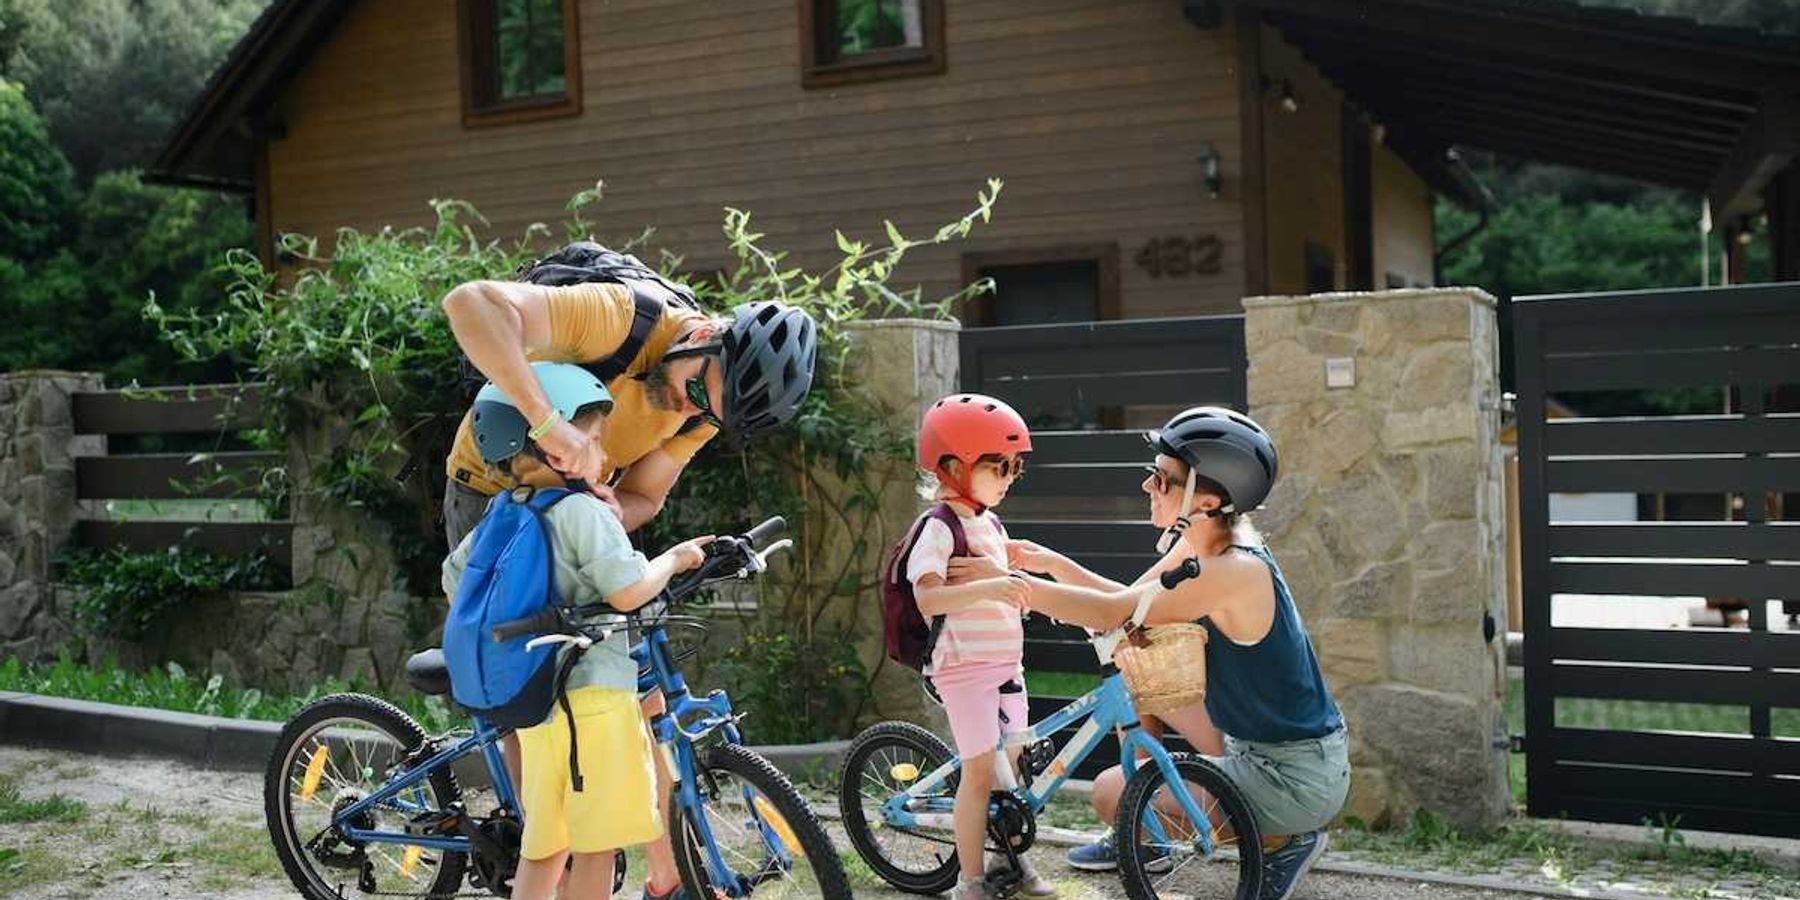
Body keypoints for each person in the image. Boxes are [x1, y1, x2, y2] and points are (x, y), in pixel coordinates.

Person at [441, 244, 818, 900]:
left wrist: (612, 507)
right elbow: (471, 305)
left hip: (581, 512)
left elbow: (645, 495)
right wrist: (549, 425)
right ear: (704, 336)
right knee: (530, 701)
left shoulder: (702, 407)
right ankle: (545, 854)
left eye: (707, 411)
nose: (687, 405)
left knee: (637, 698)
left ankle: (666, 879)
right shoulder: (622, 317)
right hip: (493, 496)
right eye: (697, 387)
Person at [961, 407, 1349, 900]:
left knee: (1110, 793)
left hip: (1292, 776)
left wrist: (1007, 587)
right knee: (1136, 666)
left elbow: (1110, 611)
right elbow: (1126, 602)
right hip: (1260, 744)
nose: (1149, 486)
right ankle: (1149, 836)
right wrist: (1049, 563)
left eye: (1163, 480)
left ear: (1205, 501)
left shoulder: (1231, 570)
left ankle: (1281, 840)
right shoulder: (1206, 542)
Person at [442, 362, 713, 900]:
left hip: (538, 702)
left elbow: (455, 583)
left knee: (545, 846)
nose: (602, 456)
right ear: (551, 443)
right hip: (595, 703)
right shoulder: (582, 513)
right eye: (590, 439)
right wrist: (675, 559)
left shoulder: (500, 512)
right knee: (597, 845)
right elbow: (629, 590)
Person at [905, 394, 1056, 900]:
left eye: (1016, 467)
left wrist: (1014, 588)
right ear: (952, 466)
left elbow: (1001, 588)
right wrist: (992, 587)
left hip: (1005, 664)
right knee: (977, 775)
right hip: (964, 668)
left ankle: (1009, 864)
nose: (1010, 476)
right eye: (1000, 466)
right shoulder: (937, 527)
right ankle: (970, 883)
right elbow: (928, 596)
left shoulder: (988, 523)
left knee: (1012, 772)